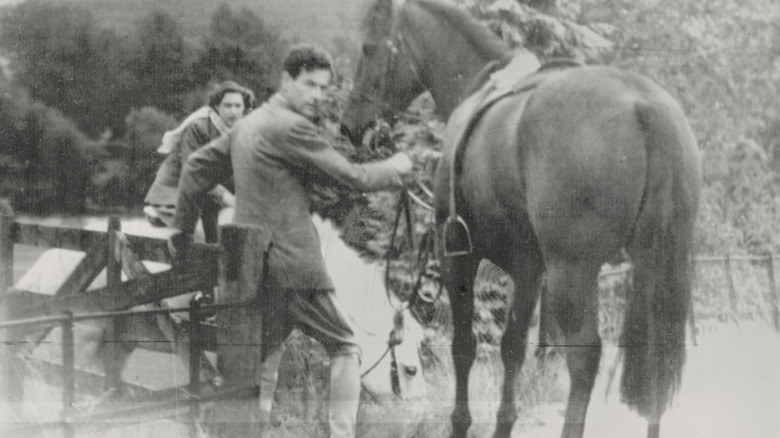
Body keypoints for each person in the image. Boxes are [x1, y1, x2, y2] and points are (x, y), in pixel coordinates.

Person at [168, 44, 413, 437]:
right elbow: (352, 177)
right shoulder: (290, 127)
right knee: (346, 347)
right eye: (310, 85)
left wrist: (179, 232)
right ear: (287, 80)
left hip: (251, 267)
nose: (317, 96)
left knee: (263, 353)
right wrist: (396, 167)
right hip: (292, 263)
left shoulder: (248, 125)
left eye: (323, 89)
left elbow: (196, 166)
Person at [143, 80, 255, 243]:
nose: (233, 111)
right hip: (175, 193)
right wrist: (230, 199)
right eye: (228, 105)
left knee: (231, 235)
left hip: (208, 199)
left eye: (238, 106)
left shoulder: (241, 132)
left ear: (244, 108)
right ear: (216, 106)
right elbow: (195, 174)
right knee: (196, 240)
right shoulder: (198, 127)